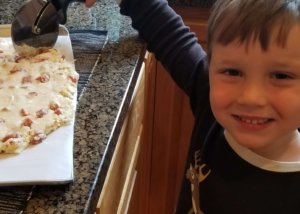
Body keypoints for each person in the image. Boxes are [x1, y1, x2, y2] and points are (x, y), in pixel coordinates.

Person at [86, 0, 300, 213]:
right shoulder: (211, 100)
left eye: (281, 76)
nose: (251, 98)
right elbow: (170, 36)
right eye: (233, 72)